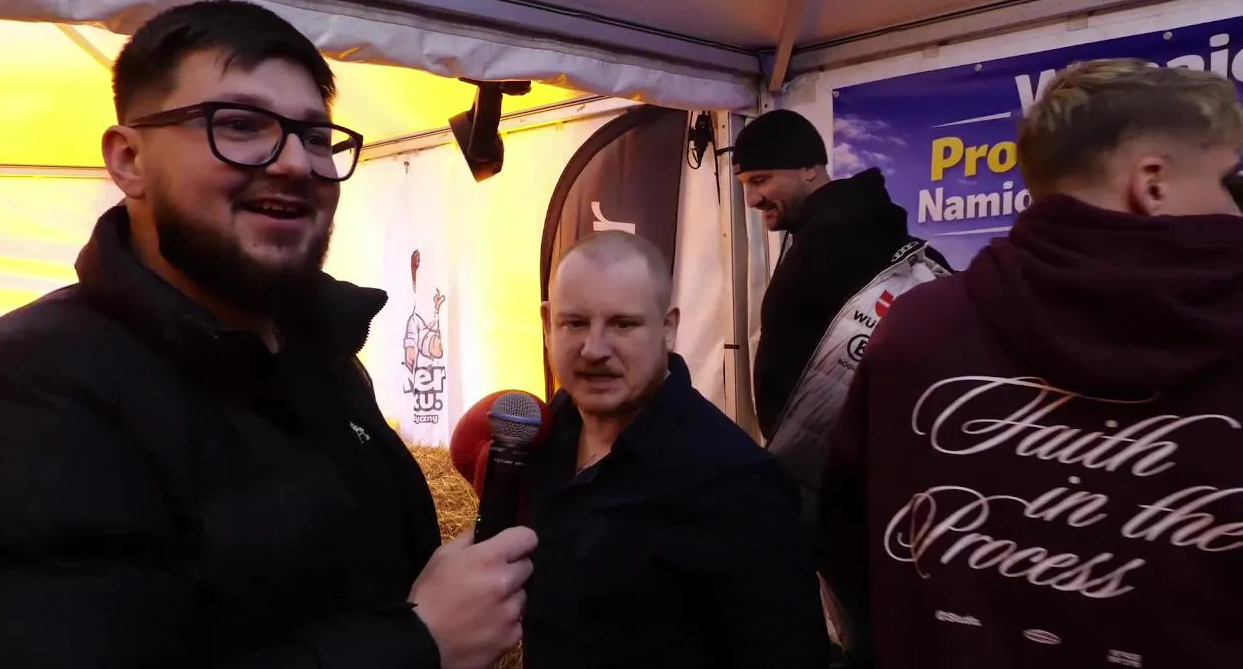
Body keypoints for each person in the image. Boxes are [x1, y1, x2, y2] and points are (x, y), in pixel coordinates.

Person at [0, 0, 533, 669]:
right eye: (237, 124)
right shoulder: (22, 391)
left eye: (315, 137)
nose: (294, 163)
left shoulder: (323, 355)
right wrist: (419, 642)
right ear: (128, 159)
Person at [818, 58, 1243, 669]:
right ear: (1153, 183)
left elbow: (845, 545)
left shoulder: (917, 328)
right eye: (1224, 178)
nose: (1232, 205)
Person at [523, 230, 830, 668]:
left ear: (668, 328)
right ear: (547, 323)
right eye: (574, 323)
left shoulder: (738, 484)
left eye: (623, 324)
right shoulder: (541, 438)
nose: (594, 349)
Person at [732, 109, 951, 493]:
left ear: (809, 169)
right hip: (867, 471)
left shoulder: (833, 240)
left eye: (761, 180)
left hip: (840, 484)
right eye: (744, 184)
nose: (751, 199)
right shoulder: (851, 229)